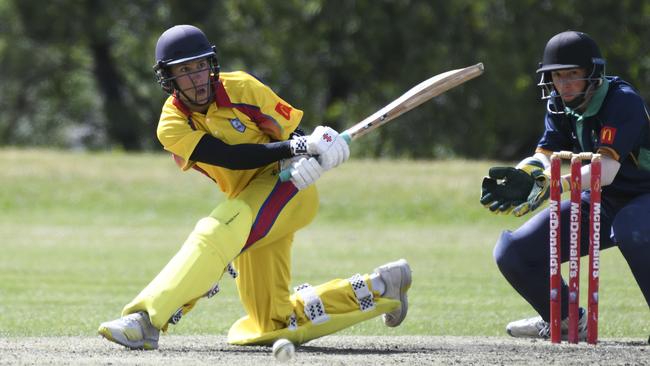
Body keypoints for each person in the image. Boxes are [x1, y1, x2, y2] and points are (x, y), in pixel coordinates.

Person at [97, 24, 412, 350]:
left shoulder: (242, 88)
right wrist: (297, 149)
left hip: (289, 189)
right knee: (270, 324)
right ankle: (380, 287)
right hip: (246, 203)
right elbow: (230, 157)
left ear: (211, 64)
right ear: (169, 79)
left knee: (215, 232)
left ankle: (146, 319)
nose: (196, 77)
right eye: (185, 70)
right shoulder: (172, 125)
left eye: (200, 66)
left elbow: (293, 133)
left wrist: (318, 150)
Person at [480, 30, 650, 340]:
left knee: (631, 229)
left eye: (573, 75)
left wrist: (551, 184)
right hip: (601, 201)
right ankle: (565, 320)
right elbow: (544, 154)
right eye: (558, 76)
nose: (564, 84)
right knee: (513, 251)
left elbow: (607, 170)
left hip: (644, 196)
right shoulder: (560, 104)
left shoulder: (622, 101)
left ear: (593, 73)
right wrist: (524, 175)